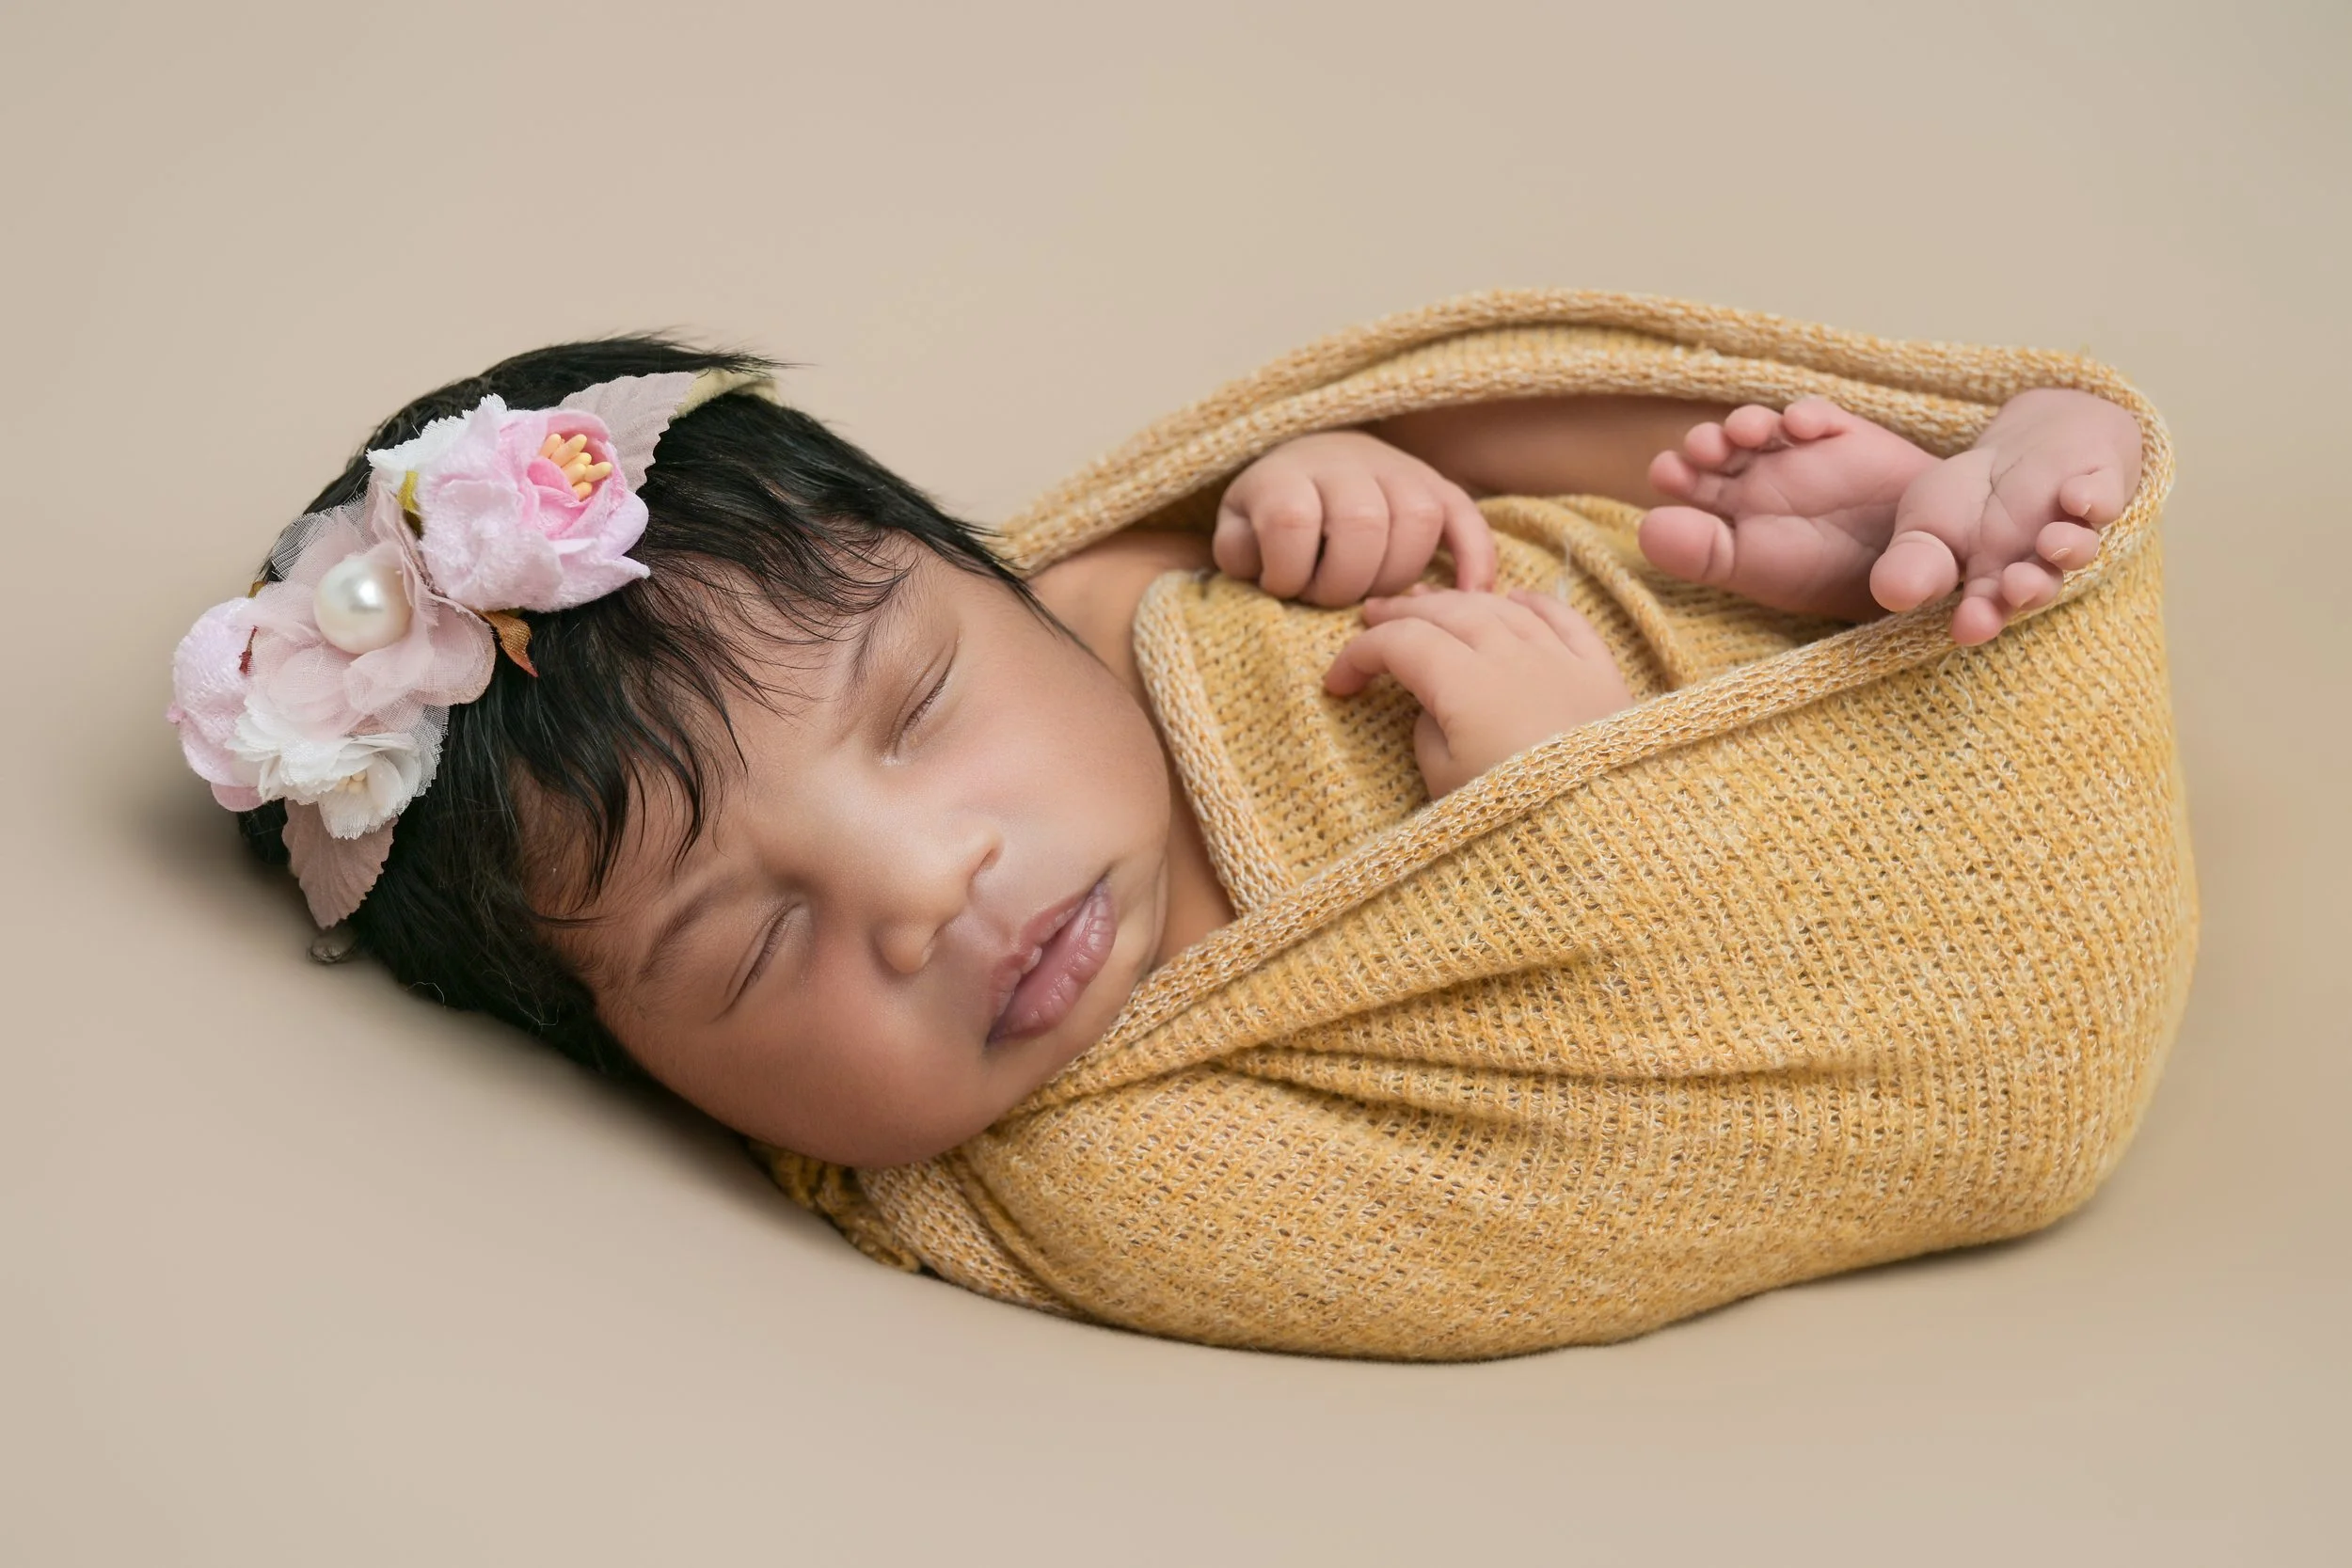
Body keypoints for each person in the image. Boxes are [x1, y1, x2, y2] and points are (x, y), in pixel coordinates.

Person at [167, 338, 2141, 1167]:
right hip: (1744, 842)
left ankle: (1891, 521)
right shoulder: (1109, 1168)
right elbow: (1659, 1135)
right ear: (640, 1072)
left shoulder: (1107, 610)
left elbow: (1166, 543)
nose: (928, 883)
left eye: (921, 706)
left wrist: (1334, 486)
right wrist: (1570, 803)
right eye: (751, 945)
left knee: (1565, 507)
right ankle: (1907, 592)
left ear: (991, 584)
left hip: (1635, 607)